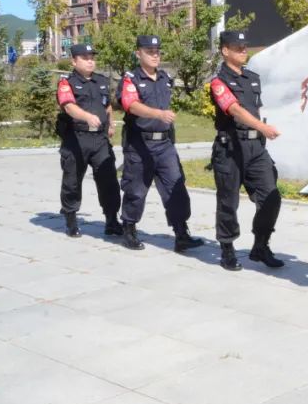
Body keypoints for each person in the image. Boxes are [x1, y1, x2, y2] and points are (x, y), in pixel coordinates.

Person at [118, 34, 205, 253]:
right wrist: (158, 114)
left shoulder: (165, 78)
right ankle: (129, 228)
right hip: (140, 143)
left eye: (157, 52)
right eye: (150, 52)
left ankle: (181, 233)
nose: (155, 56)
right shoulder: (131, 79)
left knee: (175, 187)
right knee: (136, 190)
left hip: (164, 144)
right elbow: (131, 105)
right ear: (138, 53)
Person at [208, 30, 284, 272]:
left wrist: (261, 131)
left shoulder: (252, 78)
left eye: (244, 46)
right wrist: (262, 126)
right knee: (228, 201)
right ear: (225, 51)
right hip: (230, 147)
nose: (243, 50)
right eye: (237, 47)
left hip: (255, 147)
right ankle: (227, 248)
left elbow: (255, 109)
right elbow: (234, 109)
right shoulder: (218, 81)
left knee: (271, 197)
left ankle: (260, 245)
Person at [56, 43, 121, 238]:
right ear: (74, 61)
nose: (90, 60)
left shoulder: (101, 81)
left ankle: (111, 220)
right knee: (72, 181)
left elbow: (107, 105)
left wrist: (110, 124)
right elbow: (68, 106)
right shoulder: (66, 83)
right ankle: (71, 219)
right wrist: (86, 116)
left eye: (92, 57)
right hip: (77, 137)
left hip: (99, 139)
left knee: (108, 179)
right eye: (85, 57)